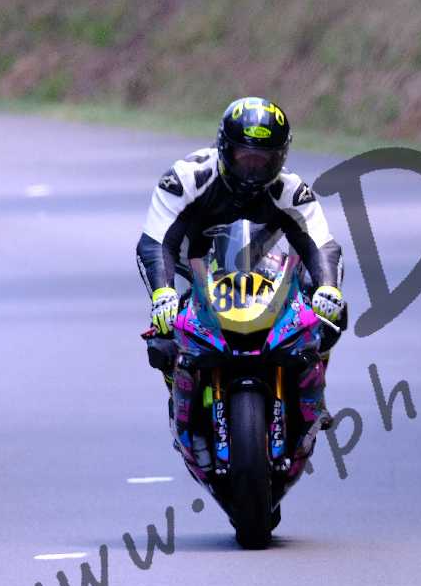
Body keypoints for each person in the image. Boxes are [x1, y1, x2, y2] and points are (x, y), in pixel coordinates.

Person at [135, 96, 345, 442]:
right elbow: (155, 242)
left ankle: (313, 387)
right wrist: (163, 293)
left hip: (267, 269)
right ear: (223, 148)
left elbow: (322, 244)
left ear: (281, 157)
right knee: (164, 334)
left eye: (264, 160)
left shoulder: (291, 190)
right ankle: (180, 394)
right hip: (191, 268)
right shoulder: (185, 178)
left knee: (330, 308)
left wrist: (328, 288)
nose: (253, 170)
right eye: (244, 157)